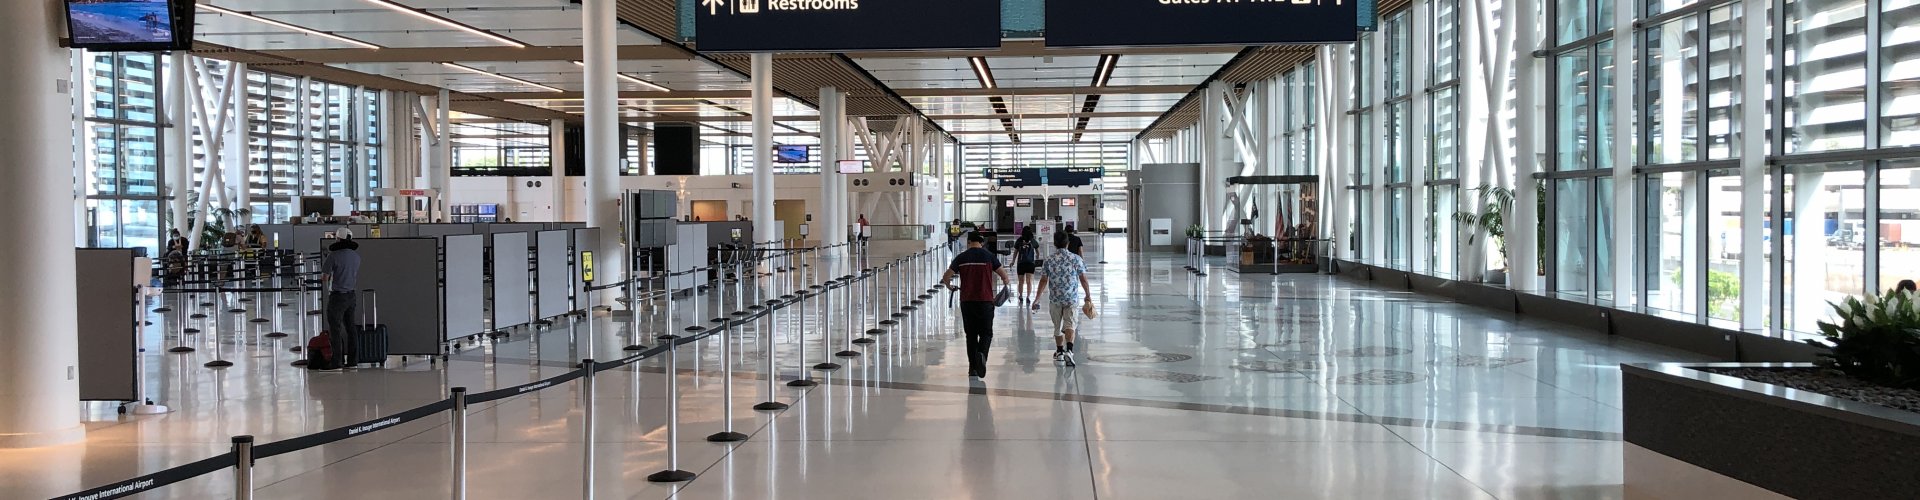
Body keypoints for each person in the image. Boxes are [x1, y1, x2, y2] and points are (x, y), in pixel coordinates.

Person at [940, 233, 1013, 380]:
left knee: (971, 336)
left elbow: (946, 276)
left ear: (969, 242)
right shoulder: (989, 257)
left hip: (967, 301)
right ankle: (982, 355)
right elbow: (1005, 277)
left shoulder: (961, 258)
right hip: (986, 301)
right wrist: (1004, 291)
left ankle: (972, 368)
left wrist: (949, 286)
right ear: (982, 242)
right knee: (986, 333)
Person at [1032, 233, 1091, 366]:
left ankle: (1059, 352)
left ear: (1054, 243)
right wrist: (1088, 294)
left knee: (1057, 326)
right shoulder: (1076, 258)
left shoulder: (1049, 260)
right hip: (1071, 298)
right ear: (1067, 243)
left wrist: (1037, 299)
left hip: (1055, 299)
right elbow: (1083, 279)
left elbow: (1043, 280)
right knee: (1070, 324)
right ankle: (1069, 351)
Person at [321, 228, 362, 371]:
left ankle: (336, 362)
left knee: (335, 329)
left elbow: (325, 277)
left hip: (337, 296)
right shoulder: (356, 257)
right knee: (351, 329)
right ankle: (353, 362)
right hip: (352, 295)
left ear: (338, 239)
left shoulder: (333, 256)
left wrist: (328, 288)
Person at [1013, 226, 1040, 303]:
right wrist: (1037, 259)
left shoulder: (1019, 240)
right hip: (1030, 263)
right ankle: (1028, 297)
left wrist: (1013, 261)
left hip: (1021, 263)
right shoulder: (1033, 241)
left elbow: (1015, 252)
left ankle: (1021, 296)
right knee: (1029, 281)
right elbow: (1038, 251)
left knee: (1021, 281)